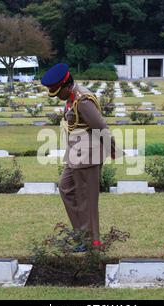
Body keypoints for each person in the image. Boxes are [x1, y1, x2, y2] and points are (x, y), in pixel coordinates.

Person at [41, 63, 119, 252]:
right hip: (76, 154)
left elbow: (100, 126)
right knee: (66, 188)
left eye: (58, 92)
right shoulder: (72, 96)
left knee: (88, 200)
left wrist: (112, 148)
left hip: (88, 155)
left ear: (67, 85)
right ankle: (81, 234)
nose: (57, 96)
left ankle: (92, 242)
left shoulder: (82, 100)